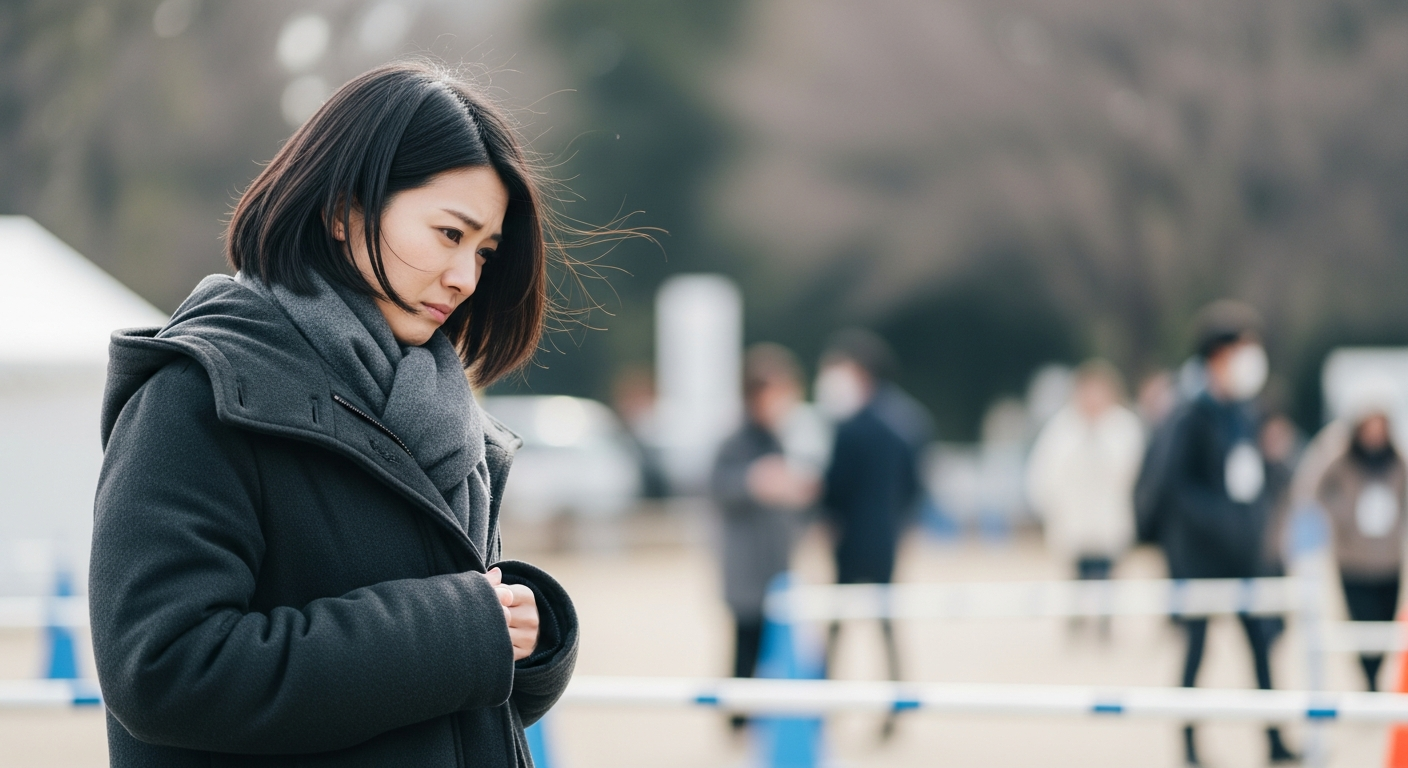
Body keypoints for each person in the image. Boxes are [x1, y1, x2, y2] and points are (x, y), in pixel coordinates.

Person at [90, 63, 581, 767]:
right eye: (450, 234)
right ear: (344, 210)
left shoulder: (444, 416)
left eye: (484, 252)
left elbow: (417, 704)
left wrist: (523, 650)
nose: (466, 277)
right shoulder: (197, 395)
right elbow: (164, 671)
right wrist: (461, 628)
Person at [1134, 301, 1298, 766]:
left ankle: (1274, 738)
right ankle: (1187, 744)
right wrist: (1221, 519)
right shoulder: (1187, 415)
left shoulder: (1245, 412)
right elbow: (1172, 488)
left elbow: (1254, 477)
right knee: (1196, 651)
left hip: (1244, 553)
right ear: (1218, 356)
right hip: (1200, 556)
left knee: (1262, 647)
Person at [815, 329, 930, 729]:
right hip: (888, 537)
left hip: (849, 538)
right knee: (886, 624)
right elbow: (918, 486)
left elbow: (834, 488)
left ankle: (820, 704)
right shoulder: (909, 420)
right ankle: (896, 709)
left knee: (836, 625)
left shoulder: (851, 426)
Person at [710, 343, 820, 729]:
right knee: (745, 648)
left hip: (777, 567)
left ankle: (763, 718)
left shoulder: (782, 438)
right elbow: (718, 489)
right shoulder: (734, 440)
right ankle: (738, 721)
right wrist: (755, 482)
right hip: (745, 571)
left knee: (778, 647)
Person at [1294, 383, 1405, 691]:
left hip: (1388, 558)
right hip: (1353, 559)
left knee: (1386, 627)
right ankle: (1368, 681)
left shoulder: (1397, 461)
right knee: (1359, 626)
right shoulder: (1342, 458)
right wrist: (1339, 515)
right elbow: (1310, 485)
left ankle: (1376, 679)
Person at [1025, 359, 1144, 636]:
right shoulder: (1062, 428)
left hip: (1109, 519)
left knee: (1107, 577)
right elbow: (1044, 473)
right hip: (1073, 520)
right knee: (1076, 577)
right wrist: (1049, 508)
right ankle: (1075, 624)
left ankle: (1105, 627)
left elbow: (1133, 472)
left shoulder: (1123, 427)